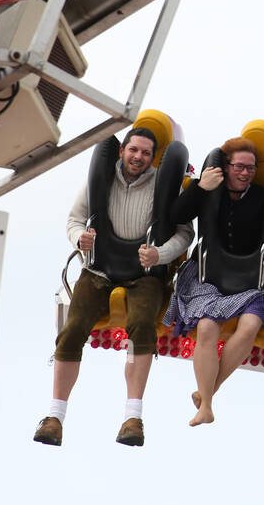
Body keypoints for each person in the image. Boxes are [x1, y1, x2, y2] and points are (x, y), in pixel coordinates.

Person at [33, 128, 193, 447]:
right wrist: (80, 238)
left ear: (153, 157)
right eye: (134, 150)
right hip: (100, 268)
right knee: (73, 327)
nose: (139, 157)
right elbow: (74, 219)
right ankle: (54, 416)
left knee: (142, 326)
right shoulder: (100, 179)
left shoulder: (165, 184)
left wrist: (160, 254)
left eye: (146, 153)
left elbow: (185, 233)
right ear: (122, 151)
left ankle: (132, 416)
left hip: (144, 272)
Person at [165, 137, 264, 427]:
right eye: (240, 167)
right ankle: (207, 405)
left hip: (250, 280)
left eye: (251, 168)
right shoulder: (208, 189)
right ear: (225, 167)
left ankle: (206, 395)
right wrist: (201, 189)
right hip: (210, 276)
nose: (245, 173)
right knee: (205, 327)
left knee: (250, 326)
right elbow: (176, 216)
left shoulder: (261, 196)